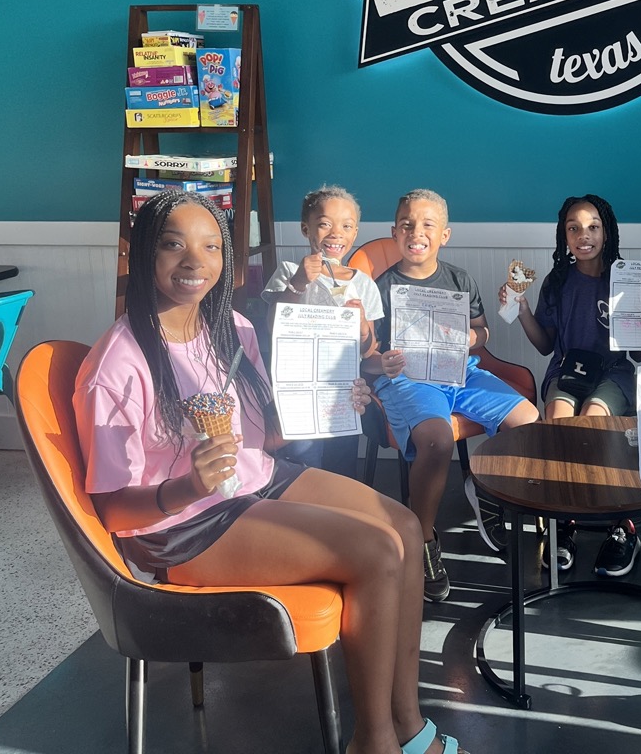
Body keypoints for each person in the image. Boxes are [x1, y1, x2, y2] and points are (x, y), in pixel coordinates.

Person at [74, 190, 467, 754]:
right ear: (143, 254)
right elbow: (114, 510)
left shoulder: (231, 327)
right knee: (378, 551)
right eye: (172, 245)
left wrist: (335, 401)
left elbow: (269, 438)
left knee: (404, 525)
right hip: (182, 524)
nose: (194, 261)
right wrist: (188, 485)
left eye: (211, 246)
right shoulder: (118, 362)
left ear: (226, 258)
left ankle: (407, 725)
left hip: (254, 479)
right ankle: (373, 742)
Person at [498, 194, 641, 577]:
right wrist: (520, 311)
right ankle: (564, 523)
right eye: (573, 228)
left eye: (592, 227)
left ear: (607, 231)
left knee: (593, 419)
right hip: (567, 368)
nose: (583, 235)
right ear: (563, 235)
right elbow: (545, 345)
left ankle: (622, 524)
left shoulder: (627, 279)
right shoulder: (557, 281)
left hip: (614, 372)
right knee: (558, 421)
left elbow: (638, 355)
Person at [367, 189, 539, 602]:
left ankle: (487, 495)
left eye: (428, 224)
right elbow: (366, 353)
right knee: (438, 438)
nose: (416, 232)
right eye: (407, 223)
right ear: (394, 232)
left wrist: (471, 336)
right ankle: (423, 539)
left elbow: (483, 332)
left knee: (528, 421)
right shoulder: (380, 286)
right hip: (408, 379)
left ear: (444, 234)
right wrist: (381, 364)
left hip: (460, 371)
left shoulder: (460, 278)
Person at [261, 184, 381, 477]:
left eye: (346, 226)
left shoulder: (363, 283)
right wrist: (298, 283)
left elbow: (368, 350)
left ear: (354, 234)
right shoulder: (291, 271)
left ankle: (337, 517)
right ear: (306, 229)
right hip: (295, 387)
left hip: (343, 390)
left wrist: (363, 324)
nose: (336, 232)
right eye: (325, 224)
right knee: (301, 459)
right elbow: (271, 326)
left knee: (340, 463)